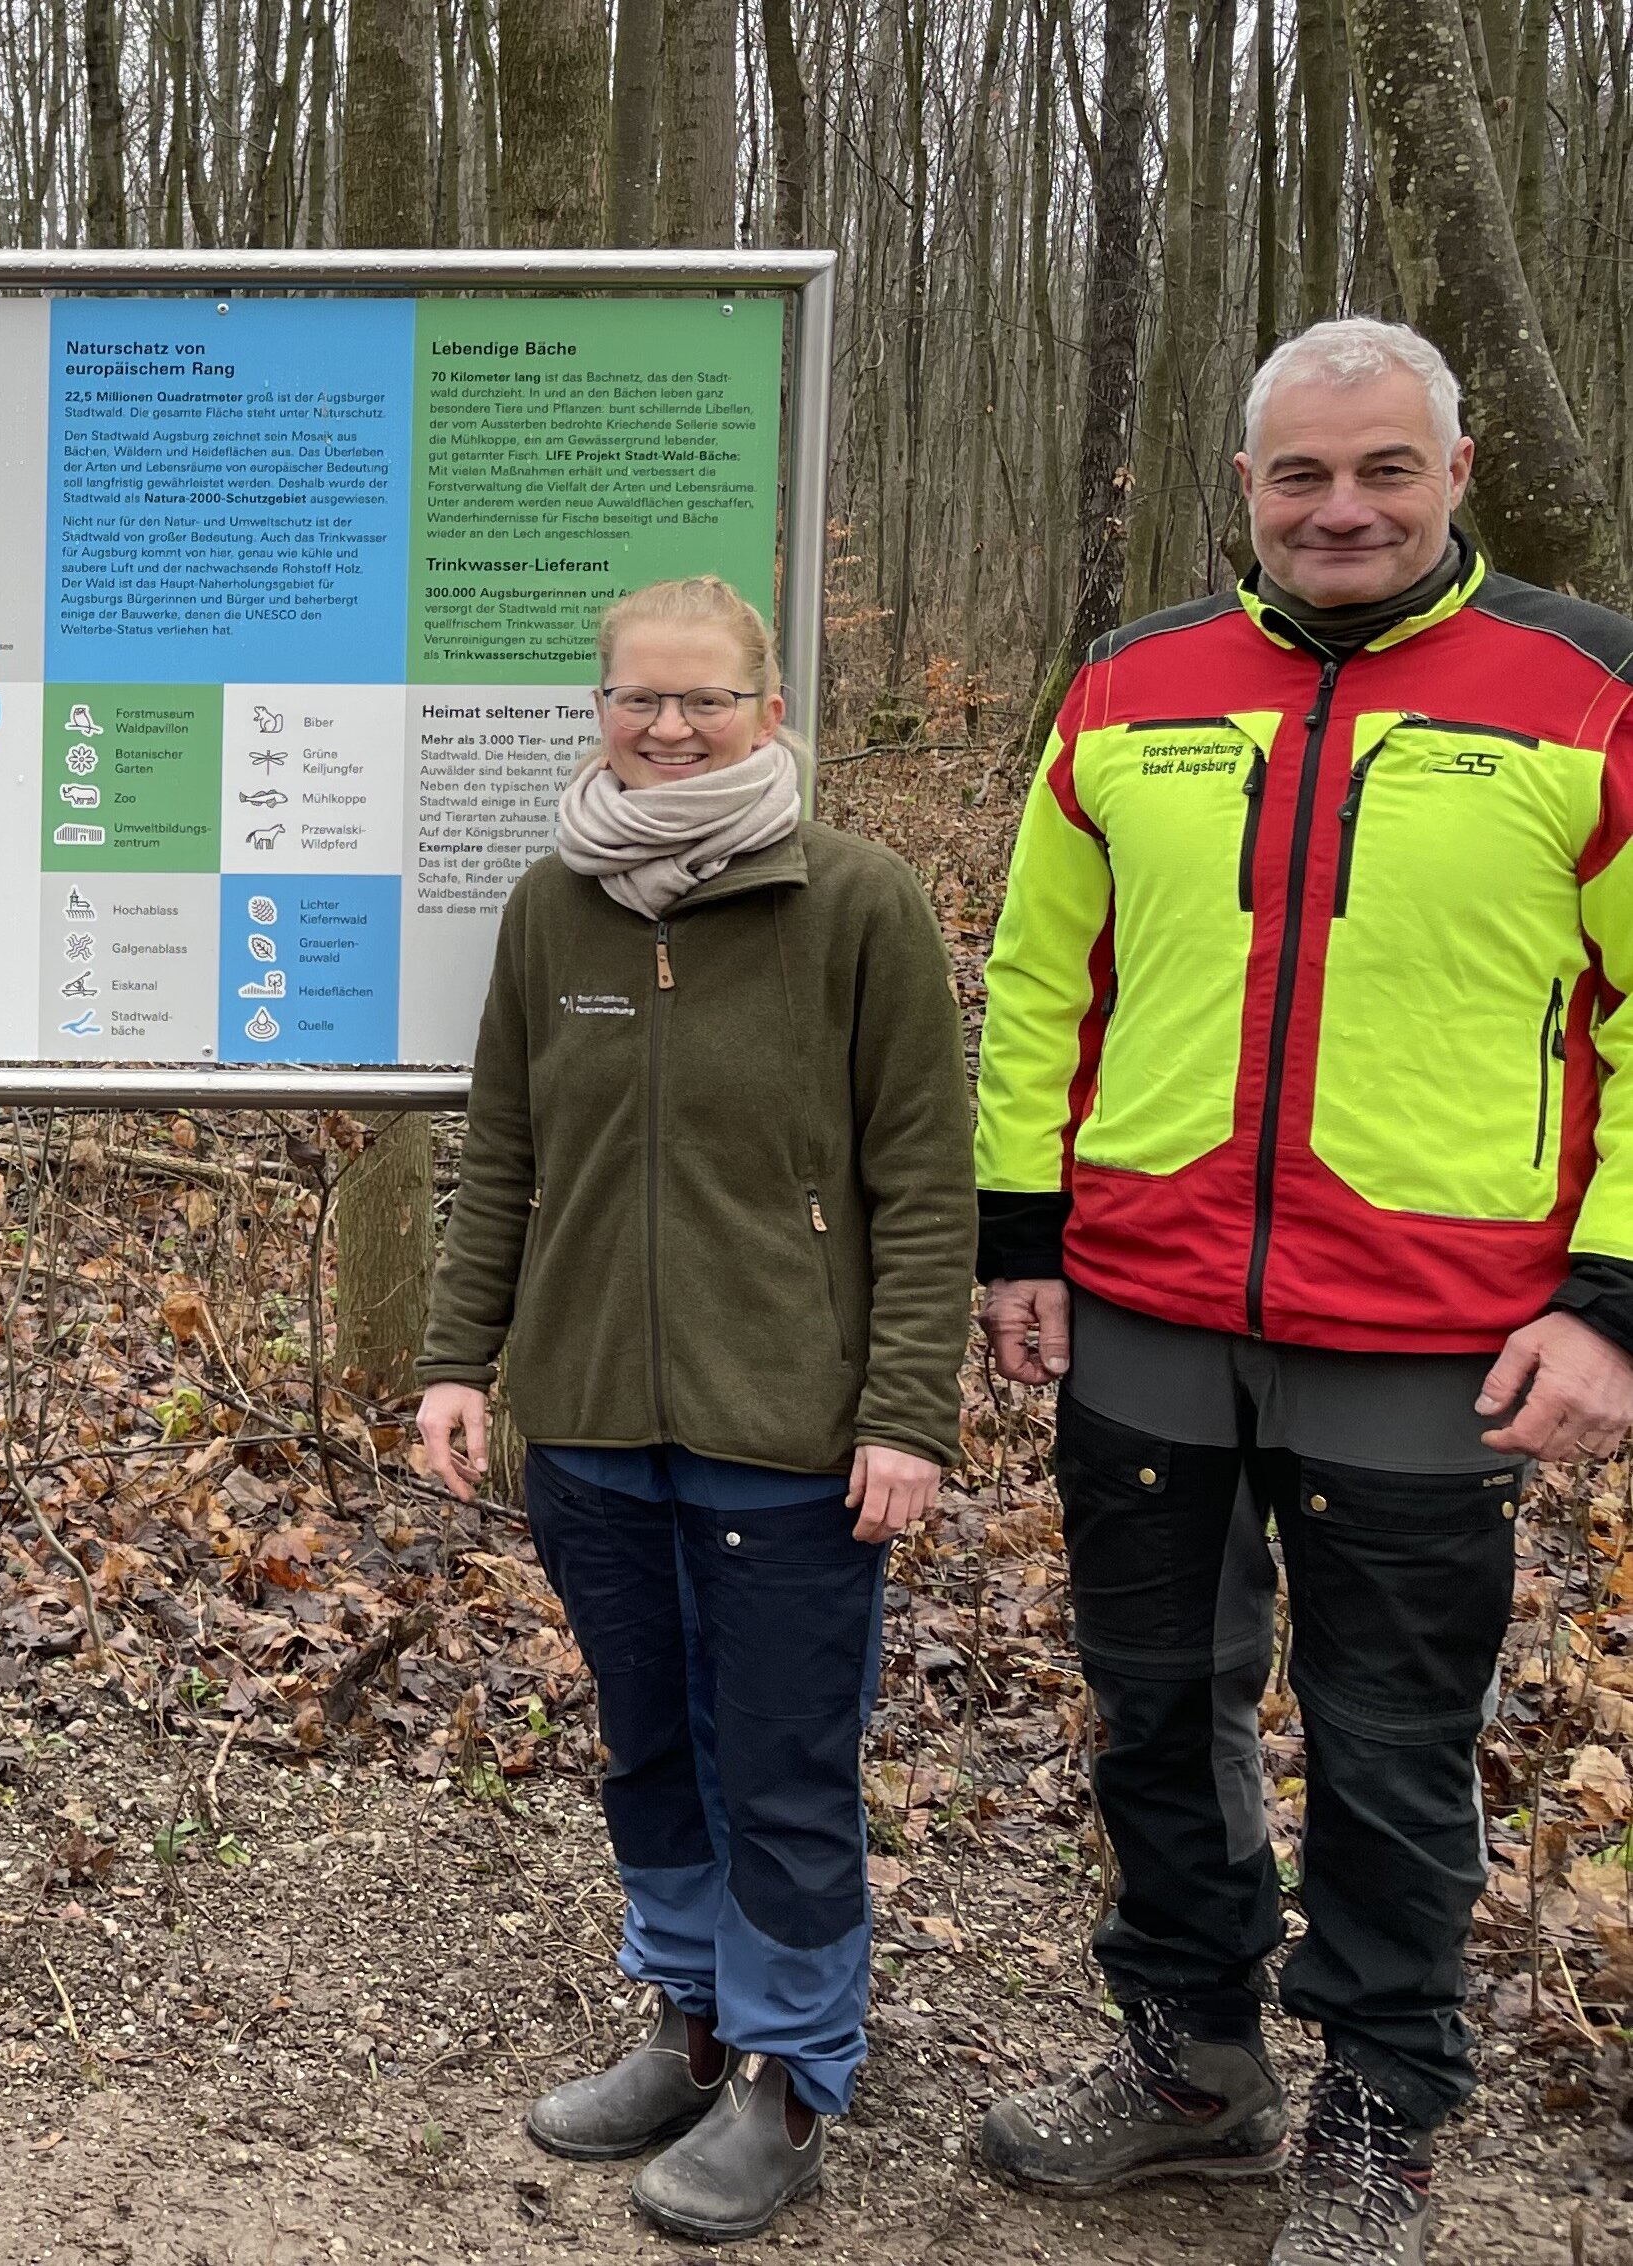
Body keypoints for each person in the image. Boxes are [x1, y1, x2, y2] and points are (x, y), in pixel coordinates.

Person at [971, 316, 1633, 2266]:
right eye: (1302, 474)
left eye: (1383, 469)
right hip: (1149, 1302)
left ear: (1455, 475)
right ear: (1248, 485)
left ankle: (1381, 2107)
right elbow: (1041, 978)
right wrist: (1019, 1239)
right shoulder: (1130, 684)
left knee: (1392, 1742)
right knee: (1153, 1707)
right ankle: (1192, 2062)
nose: (1342, 508)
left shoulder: (1588, 690)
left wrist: (1610, 1298)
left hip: (1441, 1327)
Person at [415, 575, 974, 2242]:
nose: (669, 727)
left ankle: (792, 2069)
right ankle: (691, 2016)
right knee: (650, 1741)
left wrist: (908, 1412)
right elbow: (503, 1149)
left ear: (769, 709)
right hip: (591, 1415)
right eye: (638, 699)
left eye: (705, 699)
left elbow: (923, 1180)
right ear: (600, 710)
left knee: (782, 1765)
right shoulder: (553, 906)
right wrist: (459, 1359)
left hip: (789, 1430)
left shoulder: (855, 901)